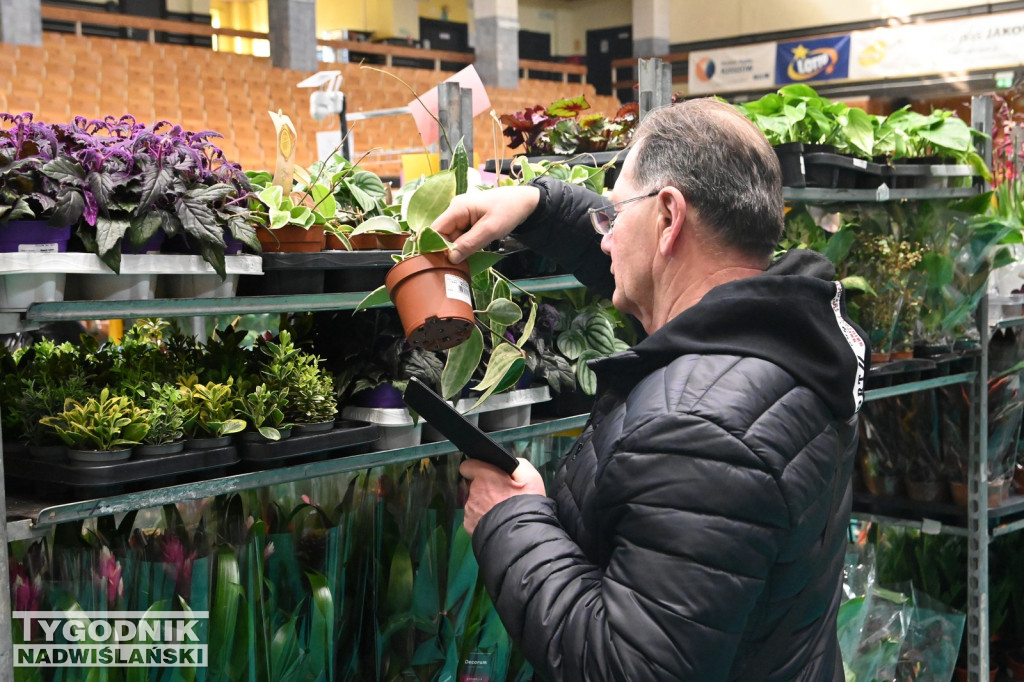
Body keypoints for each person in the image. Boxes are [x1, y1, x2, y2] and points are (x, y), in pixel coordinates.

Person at [432, 98, 869, 681]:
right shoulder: (786, 337)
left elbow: (628, 667)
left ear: (668, 218)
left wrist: (512, 519)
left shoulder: (703, 430)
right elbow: (656, 271)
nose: (605, 239)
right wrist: (538, 202)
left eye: (612, 217)